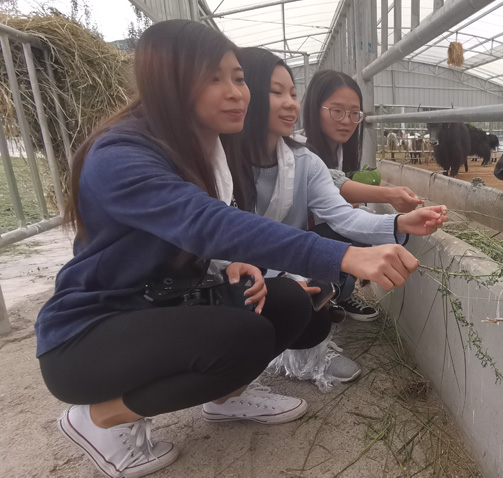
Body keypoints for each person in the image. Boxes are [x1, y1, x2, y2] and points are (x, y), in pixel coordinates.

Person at [36, 20, 425, 478]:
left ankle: (226, 398)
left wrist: (227, 266)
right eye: (213, 78)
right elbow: (205, 222)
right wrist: (341, 255)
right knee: (245, 338)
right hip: (90, 332)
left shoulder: (208, 148)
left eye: (238, 77)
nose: (237, 92)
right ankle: (97, 418)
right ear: (169, 83)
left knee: (287, 302)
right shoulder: (121, 154)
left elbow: (205, 236)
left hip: (162, 300)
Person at [221, 47, 447, 383]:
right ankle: (230, 373)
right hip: (231, 269)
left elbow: (343, 216)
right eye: (276, 92)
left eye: (293, 94)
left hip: (286, 264)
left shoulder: (304, 162)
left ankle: (307, 355)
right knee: (253, 303)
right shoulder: (216, 159)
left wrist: (400, 222)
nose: (289, 103)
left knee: (309, 300)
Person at [301, 69, 426, 321]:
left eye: (354, 113)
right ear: (315, 109)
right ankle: (327, 296)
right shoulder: (303, 150)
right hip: (296, 240)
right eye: (337, 111)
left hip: (313, 232)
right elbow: (334, 183)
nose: (347, 120)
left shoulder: (337, 150)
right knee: (354, 229)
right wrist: (390, 196)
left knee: (360, 220)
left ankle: (335, 295)